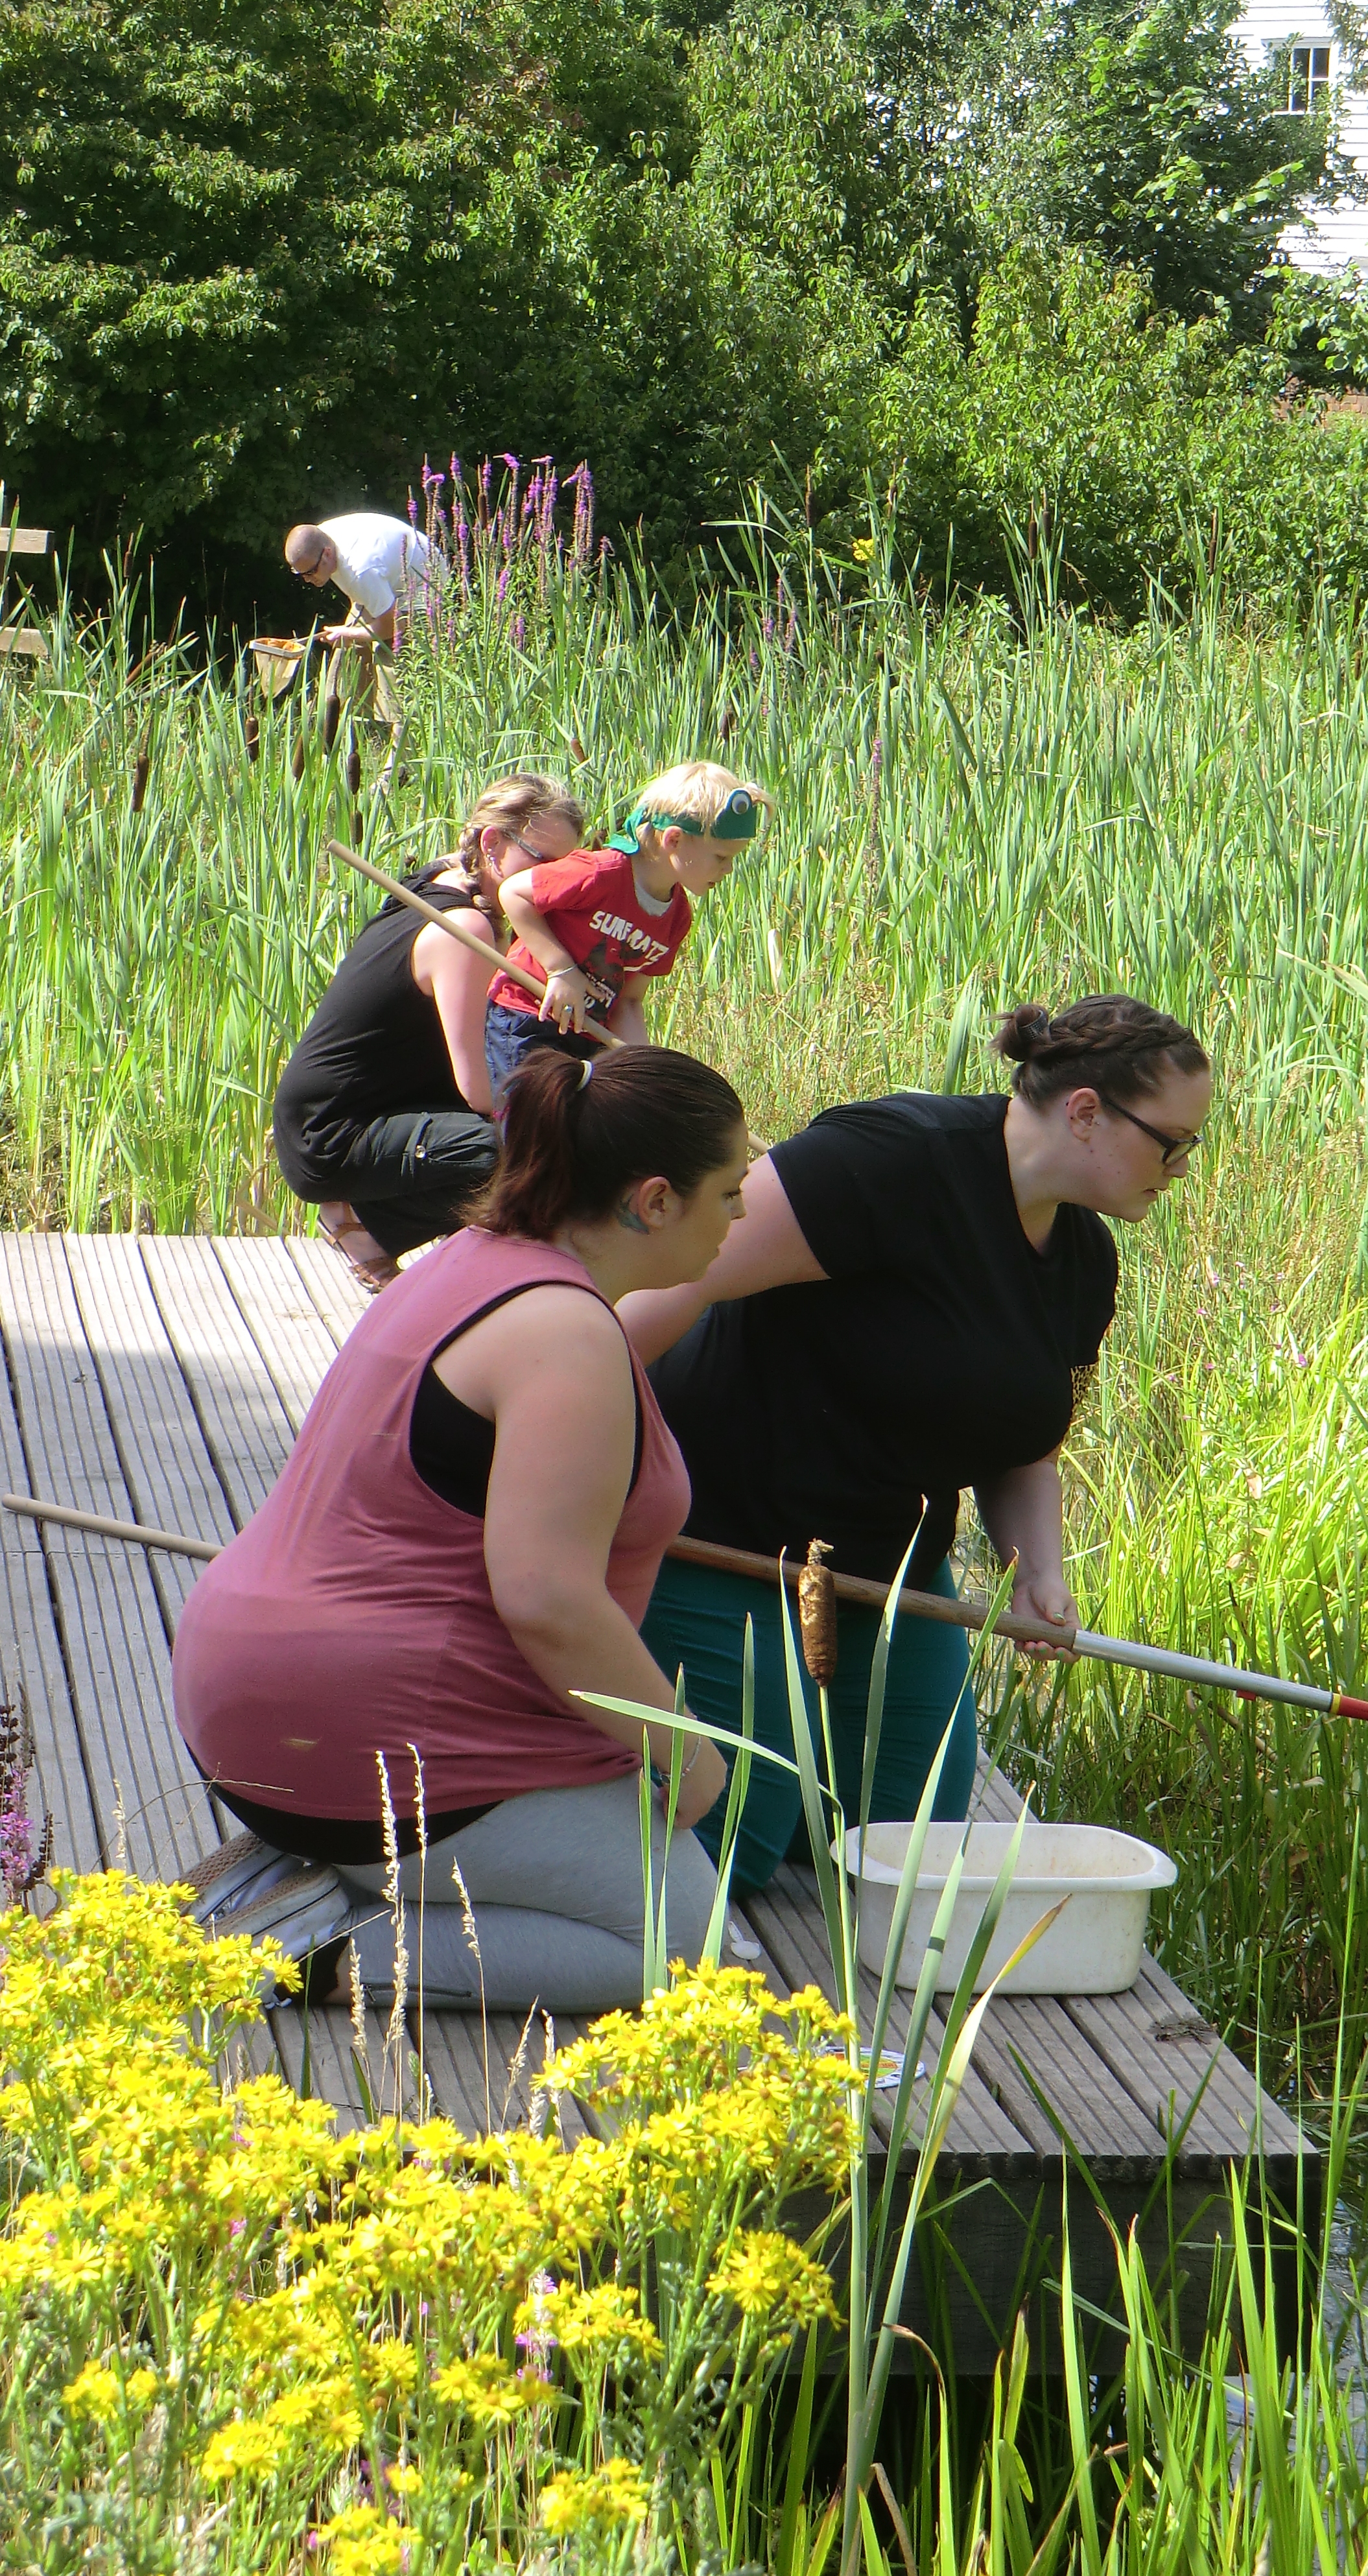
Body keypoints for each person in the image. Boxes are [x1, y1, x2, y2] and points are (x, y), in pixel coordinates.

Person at [174, 1045, 747, 2015]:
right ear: (654, 1201)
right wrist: (683, 1747)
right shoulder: (564, 1334)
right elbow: (547, 1597)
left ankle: (316, 1865)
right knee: (683, 1950)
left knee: (677, 1902)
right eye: (728, 1191)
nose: (740, 1215)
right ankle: (299, 1941)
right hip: (372, 1728)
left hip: (250, 1702)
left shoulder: (467, 1261)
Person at [620, 993, 1213, 1893]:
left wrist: (1039, 1573)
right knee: (737, 1842)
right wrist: (557, 1465)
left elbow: (1025, 1443)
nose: (1179, 1170)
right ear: (1088, 1112)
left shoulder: (1086, 1261)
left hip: (883, 1566)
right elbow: (669, 1289)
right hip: (719, 1535)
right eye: (1174, 1144)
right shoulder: (889, 1159)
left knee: (907, 1849)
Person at [272, 775, 586, 1292]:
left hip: (351, 1111)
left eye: (567, 871)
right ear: (492, 844)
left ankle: (455, 1249)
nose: (553, 885)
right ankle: (365, 1226)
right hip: (330, 1134)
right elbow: (478, 1091)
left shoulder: (446, 879)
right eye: (543, 863)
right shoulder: (466, 928)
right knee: (517, 1150)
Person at [484, 759, 773, 1096]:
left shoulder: (676, 918)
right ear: (675, 840)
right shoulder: (599, 873)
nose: (729, 870)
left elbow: (630, 1001)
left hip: (586, 1032)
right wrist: (561, 969)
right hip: (526, 1016)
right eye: (722, 857)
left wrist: (641, 1068)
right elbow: (514, 894)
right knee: (530, 1125)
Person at [285, 512, 442, 648]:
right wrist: (350, 634)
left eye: (311, 572)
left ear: (327, 554)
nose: (307, 580)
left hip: (426, 584)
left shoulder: (360, 571)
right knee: (348, 654)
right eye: (301, 574)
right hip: (386, 578)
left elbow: (393, 626)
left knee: (388, 660)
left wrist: (351, 635)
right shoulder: (318, 540)